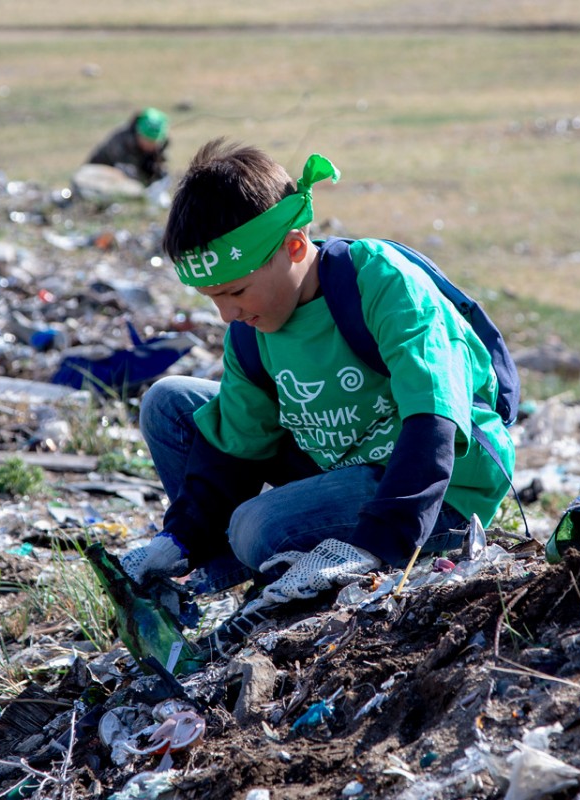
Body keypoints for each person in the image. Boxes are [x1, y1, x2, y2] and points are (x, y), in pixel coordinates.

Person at [119, 139, 515, 619]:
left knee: (253, 526)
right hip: (342, 463)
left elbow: (434, 423)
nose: (227, 314)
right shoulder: (252, 329)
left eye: (236, 291)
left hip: (441, 491)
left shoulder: (382, 284)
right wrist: (179, 537)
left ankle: (288, 556)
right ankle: (226, 566)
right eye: (212, 298)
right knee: (168, 405)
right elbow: (237, 446)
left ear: (294, 246)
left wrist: (375, 545)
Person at [86, 107, 170, 186]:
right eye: (148, 141)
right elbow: (124, 174)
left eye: (154, 142)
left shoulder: (158, 147)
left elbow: (161, 167)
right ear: (139, 134)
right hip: (97, 178)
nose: (151, 146)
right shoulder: (120, 142)